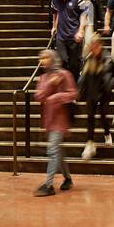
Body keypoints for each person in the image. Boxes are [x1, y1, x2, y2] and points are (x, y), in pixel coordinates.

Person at [33, 48, 77, 196]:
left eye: (45, 58)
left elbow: (73, 93)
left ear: (52, 59)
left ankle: (49, 185)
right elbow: (38, 96)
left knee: (52, 150)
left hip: (61, 119)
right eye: (41, 58)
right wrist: (51, 84)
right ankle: (68, 178)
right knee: (58, 151)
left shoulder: (64, 74)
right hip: (49, 119)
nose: (42, 61)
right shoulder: (44, 78)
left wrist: (56, 97)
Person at [78, 34, 113, 159]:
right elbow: (83, 78)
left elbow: (107, 76)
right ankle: (90, 143)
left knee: (103, 115)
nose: (93, 48)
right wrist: (78, 90)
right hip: (92, 92)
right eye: (91, 46)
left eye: (95, 45)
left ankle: (107, 133)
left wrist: (100, 67)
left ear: (100, 45)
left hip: (104, 92)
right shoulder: (89, 59)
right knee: (90, 118)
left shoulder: (107, 57)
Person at [49, 0, 87, 78]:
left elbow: (84, 14)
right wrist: (54, 27)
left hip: (74, 36)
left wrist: (81, 30)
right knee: (62, 60)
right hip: (61, 36)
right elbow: (55, 13)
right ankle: (66, 84)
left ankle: (74, 86)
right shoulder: (55, 0)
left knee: (74, 64)